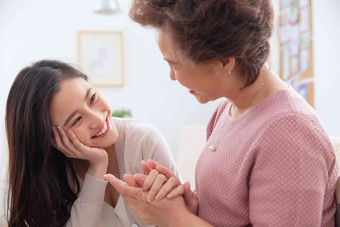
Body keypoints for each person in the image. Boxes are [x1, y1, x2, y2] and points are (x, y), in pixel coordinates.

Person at [104, 0, 339, 226]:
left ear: (225, 61)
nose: (172, 76)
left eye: (175, 65)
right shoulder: (227, 109)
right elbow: (227, 213)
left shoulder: (290, 133)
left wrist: (175, 220)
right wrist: (186, 207)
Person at [5, 60, 179, 227]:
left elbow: (182, 218)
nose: (97, 119)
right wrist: (97, 166)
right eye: (77, 120)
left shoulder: (144, 141)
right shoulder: (52, 177)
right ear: (49, 138)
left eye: (92, 98)